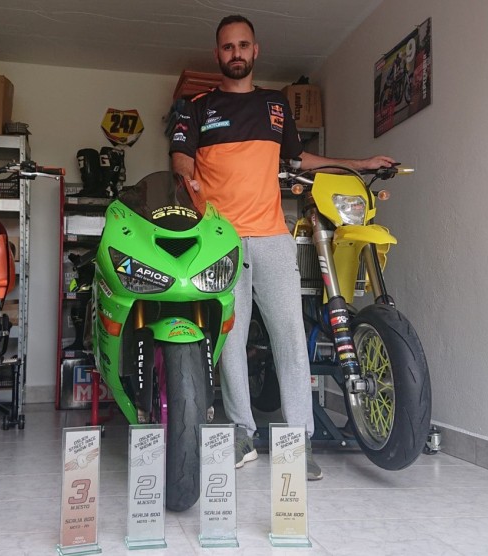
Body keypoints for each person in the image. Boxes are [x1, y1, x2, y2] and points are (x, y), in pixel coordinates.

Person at [170, 14, 394, 480]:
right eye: (227, 46)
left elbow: (299, 158)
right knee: (230, 338)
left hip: (272, 237)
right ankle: (242, 432)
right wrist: (189, 182)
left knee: (290, 335)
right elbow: (181, 160)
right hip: (220, 240)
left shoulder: (275, 105)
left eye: (243, 45)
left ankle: (298, 440)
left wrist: (357, 163)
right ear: (217, 54)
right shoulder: (195, 107)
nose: (235, 53)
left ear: (255, 51)